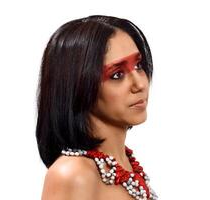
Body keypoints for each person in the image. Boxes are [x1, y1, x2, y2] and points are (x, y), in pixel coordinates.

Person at [36, 15, 158, 200]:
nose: (139, 84)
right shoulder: (73, 174)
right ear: (77, 86)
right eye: (117, 75)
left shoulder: (122, 164)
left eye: (139, 65)